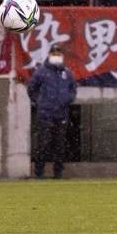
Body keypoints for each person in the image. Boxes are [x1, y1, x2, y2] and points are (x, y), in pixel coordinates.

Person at [27, 45, 77, 179]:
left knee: (60, 145)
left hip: (61, 114)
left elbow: (73, 89)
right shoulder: (41, 72)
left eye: (59, 54)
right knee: (43, 143)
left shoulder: (67, 73)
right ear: (49, 55)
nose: (56, 56)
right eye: (54, 53)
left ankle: (58, 173)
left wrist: (67, 99)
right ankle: (39, 172)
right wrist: (40, 102)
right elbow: (31, 88)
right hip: (45, 114)